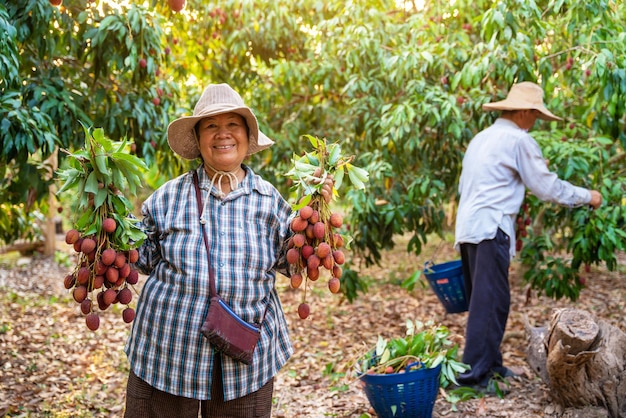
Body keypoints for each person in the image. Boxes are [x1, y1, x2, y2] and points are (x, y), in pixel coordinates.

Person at [123, 83, 333, 417]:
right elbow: (140, 260)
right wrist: (108, 216)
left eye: (232, 125)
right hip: (167, 353)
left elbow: (293, 265)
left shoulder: (269, 201)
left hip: (243, 361)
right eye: (211, 126)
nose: (223, 134)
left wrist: (317, 212)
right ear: (198, 138)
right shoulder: (167, 198)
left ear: (246, 136)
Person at [453, 81, 603, 393]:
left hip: (469, 227)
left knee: (492, 301)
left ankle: (491, 366)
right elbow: (547, 187)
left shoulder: (483, 138)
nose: (535, 122)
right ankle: (473, 377)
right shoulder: (518, 140)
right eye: (534, 115)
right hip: (490, 227)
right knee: (489, 302)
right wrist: (588, 196)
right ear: (523, 112)